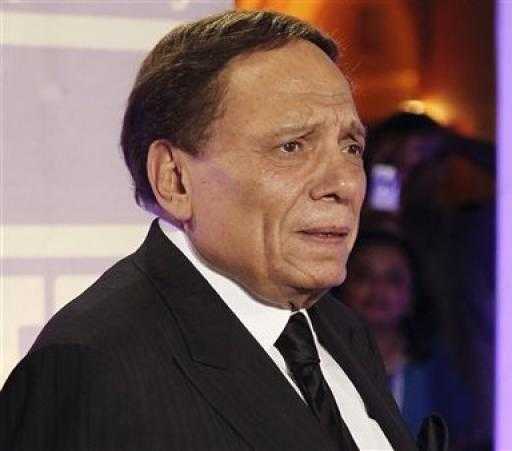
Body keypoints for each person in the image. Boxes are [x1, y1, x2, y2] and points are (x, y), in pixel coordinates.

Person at [0, 10, 430, 451]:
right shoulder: (88, 367)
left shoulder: (341, 330)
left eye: (351, 147)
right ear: (174, 179)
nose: (344, 184)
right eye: (292, 146)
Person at [335, 232, 470, 447]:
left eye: (393, 279)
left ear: (413, 294)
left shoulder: (436, 370)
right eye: (364, 276)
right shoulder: (318, 362)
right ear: (341, 285)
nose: (378, 289)